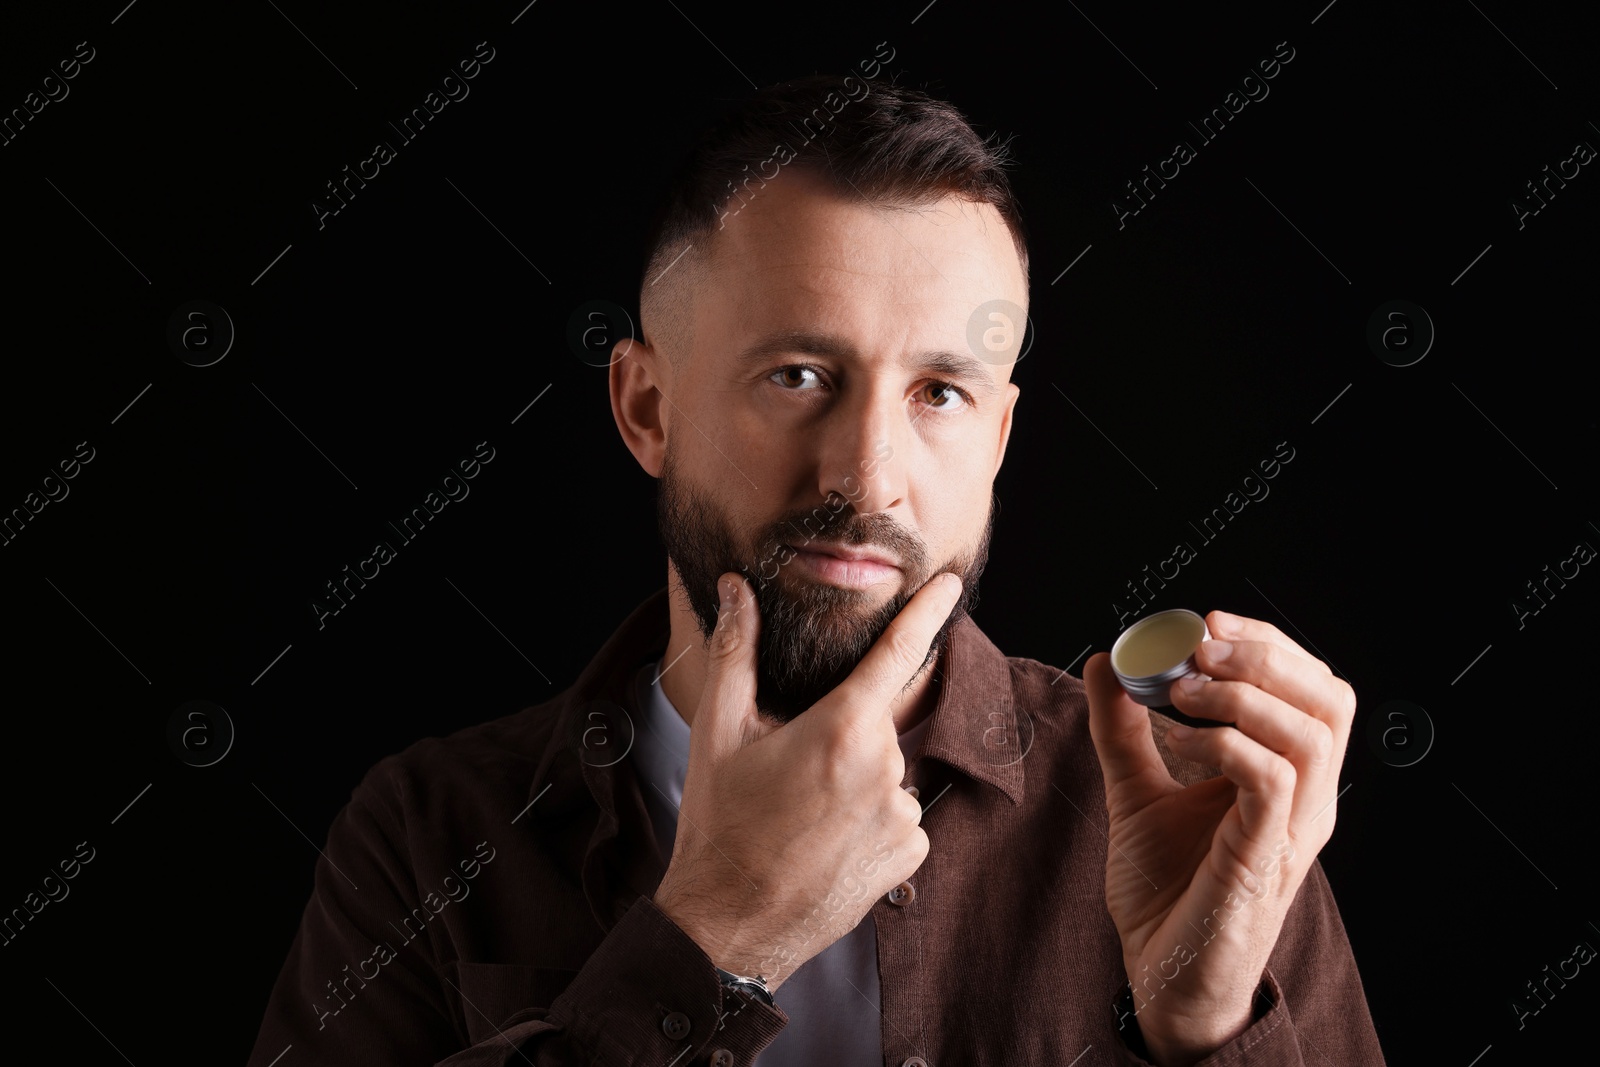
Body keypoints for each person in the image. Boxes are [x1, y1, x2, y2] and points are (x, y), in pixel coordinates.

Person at [246, 73, 1385, 1066]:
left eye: (939, 392)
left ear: (994, 441)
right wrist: (708, 942)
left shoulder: (1200, 820)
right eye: (798, 375)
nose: (869, 475)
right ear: (647, 407)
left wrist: (1200, 1026)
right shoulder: (431, 831)